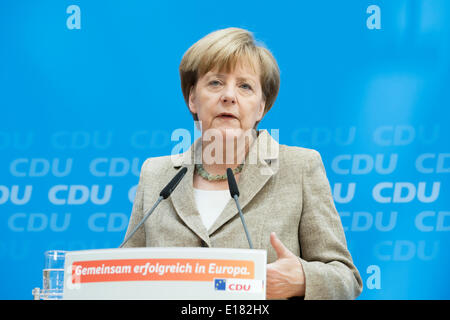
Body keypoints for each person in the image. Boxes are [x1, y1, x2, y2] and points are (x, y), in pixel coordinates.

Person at [122, 27, 363, 299]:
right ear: (192, 98)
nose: (229, 96)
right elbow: (125, 271)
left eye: (245, 86)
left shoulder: (300, 167)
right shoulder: (156, 174)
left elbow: (346, 278)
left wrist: (302, 280)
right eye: (215, 83)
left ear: (261, 107)